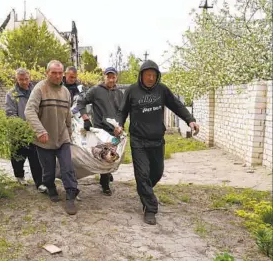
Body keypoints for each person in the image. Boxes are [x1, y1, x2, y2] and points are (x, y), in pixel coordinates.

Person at [115, 60, 200, 225]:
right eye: (148, 75)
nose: (151, 78)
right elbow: (122, 111)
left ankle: (143, 189)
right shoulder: (132, 91)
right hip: (138, 140)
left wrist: (190, 120)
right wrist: (118, 125)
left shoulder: (162, 90)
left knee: (157, 172)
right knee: (143, 174)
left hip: (157, 140)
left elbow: (177, 105)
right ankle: (151, 208)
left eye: (154, 75)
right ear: (141, 75)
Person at [25, 60, 79, 215]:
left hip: (62, 138)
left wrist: (69, 132)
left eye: (60, 73)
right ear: (47, 73)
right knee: (48, 171)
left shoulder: (66, 92)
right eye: (54, 73)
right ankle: (50, 186)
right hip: (44, 139)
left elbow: (67, 114)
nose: (57, 76)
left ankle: (70, 195)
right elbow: (29, 111)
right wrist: (40, 131)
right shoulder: (40, 88)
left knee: (68, 168)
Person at [77, 67, 123, 196]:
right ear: (104, 77)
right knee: (104, 156)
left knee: (113, 155)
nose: (111, 79)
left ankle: (107, 173)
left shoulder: (119, 93)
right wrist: (86, 119)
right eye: (108, 76)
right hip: (101, 130)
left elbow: (122, 111)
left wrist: (120, 125)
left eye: (113, 77)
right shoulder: (96, 91)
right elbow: (81, 102)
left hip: (115, 130)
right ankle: (105, 183)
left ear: (116, 78)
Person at [4, 68, 47, 193]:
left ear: (30, 78)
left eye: (26, 79)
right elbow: (10, 114)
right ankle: (19, 175)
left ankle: (39, 183)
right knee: (18, 157)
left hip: (34, 131)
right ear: (17, 80)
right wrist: (22, 127)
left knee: (36, 158)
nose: (24, 82)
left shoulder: (36, 91)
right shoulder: (12, 94)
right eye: (21, 79)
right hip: (19, 132)